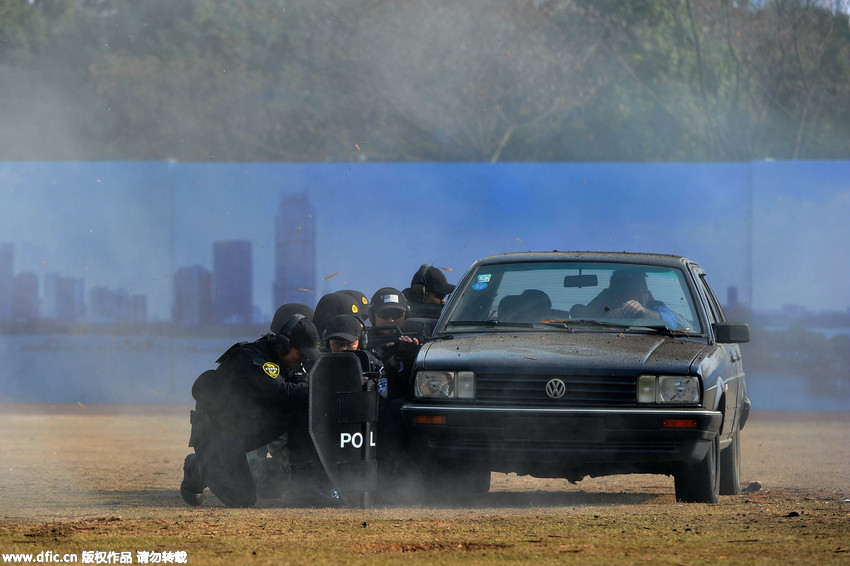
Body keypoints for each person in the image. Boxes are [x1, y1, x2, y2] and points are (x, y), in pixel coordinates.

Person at [180, 314, 331, 508]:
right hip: (217, 432)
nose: (302, 359)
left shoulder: (288, 363)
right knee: (242, 499)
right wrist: (321, 384)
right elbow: (282, 391)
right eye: (300, 353)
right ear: (284, 345)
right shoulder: (251, 359)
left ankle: (301, 482)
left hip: (247, 429)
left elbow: (301, 392)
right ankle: (197, 467)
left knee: (304, 406)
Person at [581, 269, 680, 327]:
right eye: (636, 293)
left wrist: (645, 311)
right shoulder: (603, 308)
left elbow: (674, 322)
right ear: (617, 296)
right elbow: (581, 321)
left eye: (645, 292)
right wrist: (608, 318)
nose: (642, 298)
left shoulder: (654, 308)